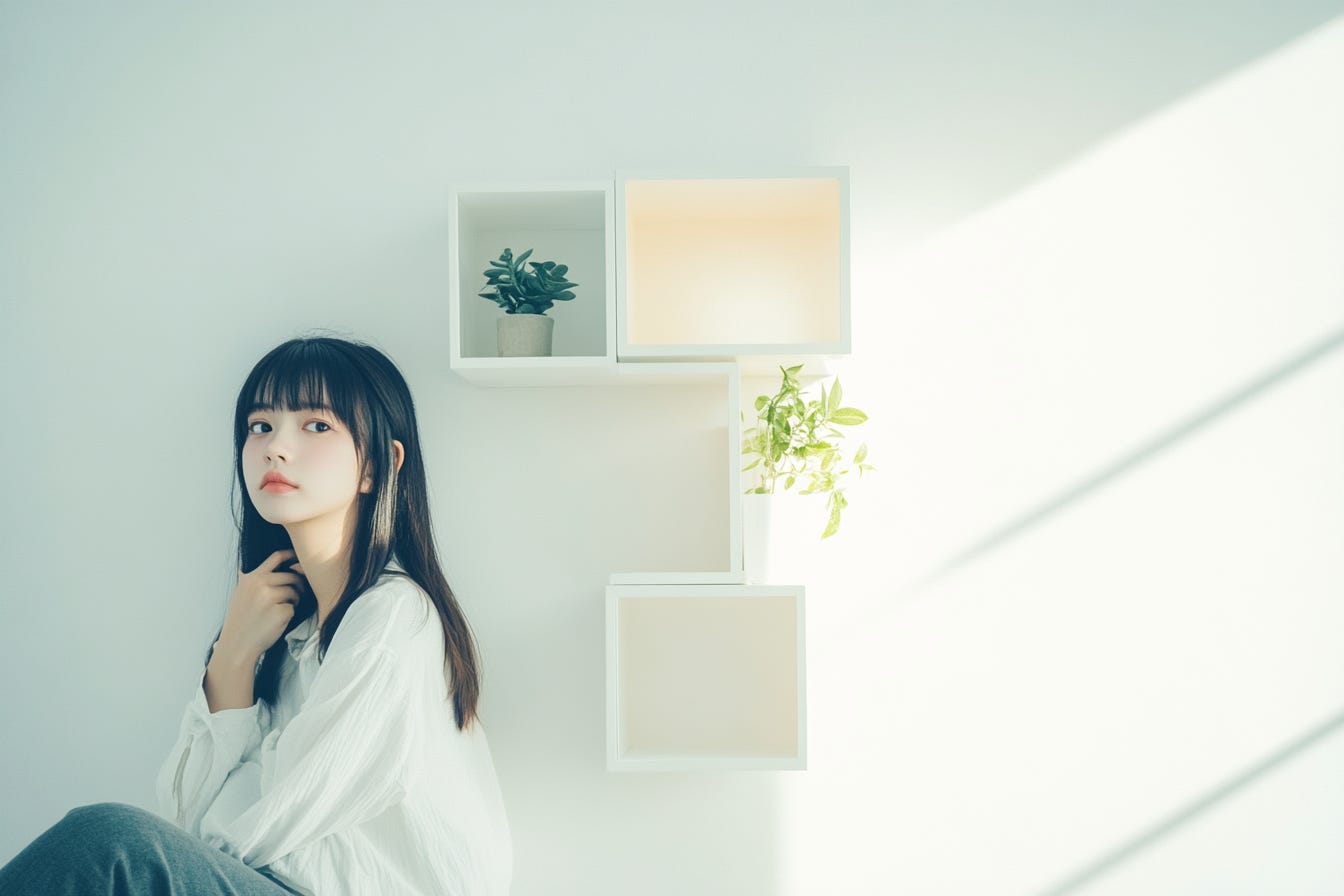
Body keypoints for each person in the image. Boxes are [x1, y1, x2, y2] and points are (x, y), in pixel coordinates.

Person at [0, 335, 514, 895]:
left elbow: (257, 823)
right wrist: (235, 654)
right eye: (260, 426)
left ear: (379, 464)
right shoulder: (289, 639)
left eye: (317, 426)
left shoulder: (392, 617)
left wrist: (176, 854)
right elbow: (184, 815)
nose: (276, 448)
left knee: (106, 840)